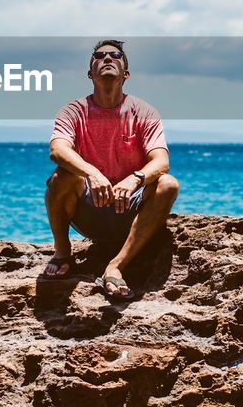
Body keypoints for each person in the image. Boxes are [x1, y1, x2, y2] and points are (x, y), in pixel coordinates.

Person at [42, 39, 180, 300]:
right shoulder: (73, 111)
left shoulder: (143, 112)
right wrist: (92, 174)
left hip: (130, 211)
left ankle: (116, 265)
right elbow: (57, 150)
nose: (107, 58)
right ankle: (63, 254)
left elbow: (161, 161)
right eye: (99, 55)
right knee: (62, 177)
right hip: (88, 211)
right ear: (90, 73)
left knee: (168, 184)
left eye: (115, 55)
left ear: (126, 74)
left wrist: (135, 179)